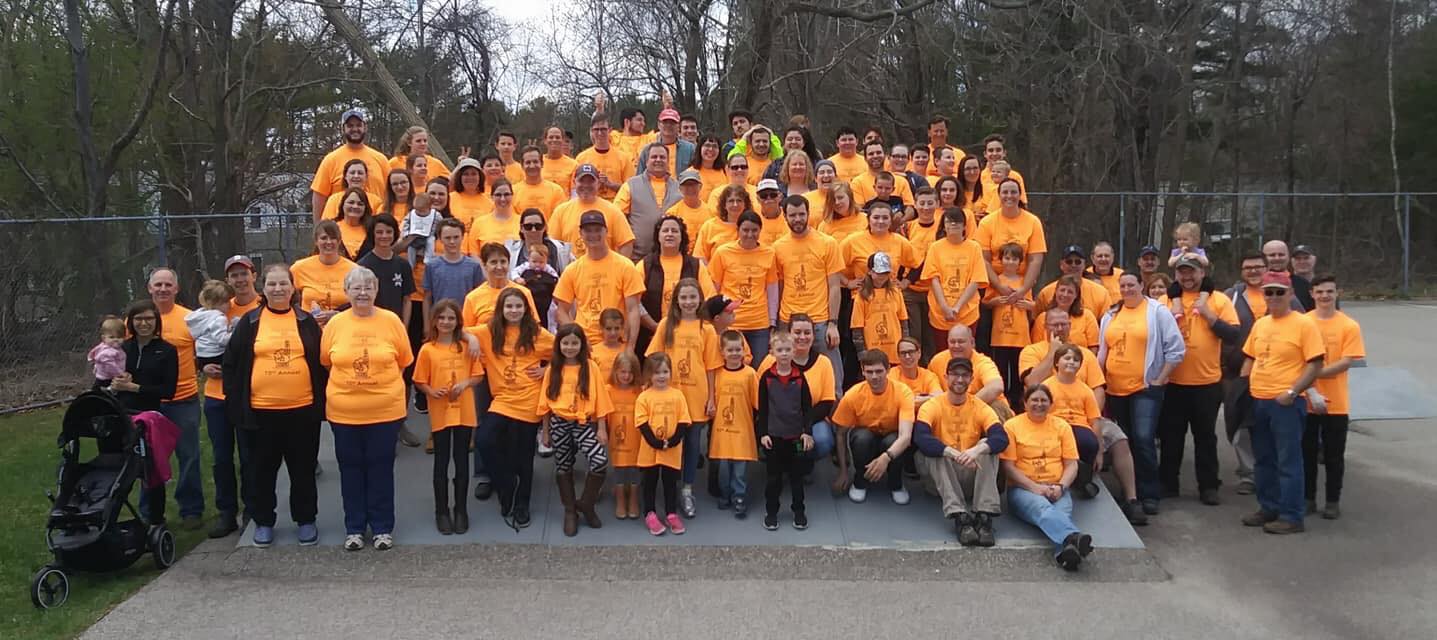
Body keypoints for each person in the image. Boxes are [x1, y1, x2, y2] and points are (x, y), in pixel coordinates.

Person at [222, 263, 326, 547]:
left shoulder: (306, 322)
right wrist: (235, 401)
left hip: (302, 411)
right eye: (272, 284)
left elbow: (320, 364)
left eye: (283, 284)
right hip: (260, 413)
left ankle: (305, 519)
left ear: (293, 288)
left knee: (303, 470)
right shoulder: (251, 322)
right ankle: (264, 521)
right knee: (260, 471)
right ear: (263, 289)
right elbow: (231, 364)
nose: (278, 289)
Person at [320, 267, 414, 551]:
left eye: (368, 288)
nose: (362, 293)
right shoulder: (336, 324)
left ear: (376, 291)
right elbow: (327, 361)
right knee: (350, 469)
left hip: (384, 412)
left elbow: (403, 360)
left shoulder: (391, 321)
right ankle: (355, 528)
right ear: (346, 292)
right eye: (356, 288)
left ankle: (383, 527)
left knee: (381, 468)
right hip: (344, 412)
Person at [1239, 271, 1325, 534]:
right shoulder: (1261, 324)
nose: (1273, 297)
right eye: (1269, 292)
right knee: (1264, 459)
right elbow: (1250, 356)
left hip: (1286, 403)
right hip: (1259, 400)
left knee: (1289, 461)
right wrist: (1244, 384)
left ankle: (1291, 515)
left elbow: (1315, 364)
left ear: (1290, 294)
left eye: (1279, 292)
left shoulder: (1304, 324)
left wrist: (1293, 391)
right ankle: (1269, 507)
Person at [1097, 271, 1185, 515]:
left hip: (1145, 387)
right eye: (1123, 286)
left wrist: (1159, 378)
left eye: (1131, 285)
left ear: (1141, 285)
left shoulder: (1157, 312)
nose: (1127, 289)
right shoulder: (1111, 314)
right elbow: (1103, 350)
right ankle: (1129, 492)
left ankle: (1149, 493)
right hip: (1115, 387)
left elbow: (1176, 349)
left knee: (1144, 438)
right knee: (1124, 442)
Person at [1158, 256, 1239, 506]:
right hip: (1173, 381)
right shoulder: (1166, 300)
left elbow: (1234, 335)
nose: (1187, 277)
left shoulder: (1218, 300)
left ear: (1202, 272)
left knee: (1205, 436)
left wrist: (1209, 316)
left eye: (1191, 272)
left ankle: (1208, 486)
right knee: (1171, 436)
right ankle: (1168, 483)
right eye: (1182, 273)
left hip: (1207, 382)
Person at [1222, 253, 1304, 495]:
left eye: (1258, 267)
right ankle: (1250, 475)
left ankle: (1284, 494)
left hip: (1282, 382)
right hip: (1240, 373)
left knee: (1279, 439)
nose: (1253, 271)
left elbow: (1310, 351)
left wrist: (1298, 387)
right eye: (1248, 267)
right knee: (1242, 426)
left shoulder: (1292, 304)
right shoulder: (1233, 296)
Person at [475, 289, 555, 529]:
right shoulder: (489, 332)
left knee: (524, 456)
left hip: (529, 400)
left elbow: (571, 351)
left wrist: (547, 370)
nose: (514, 310)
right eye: (509, 306)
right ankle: (506, 484)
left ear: (526, 309)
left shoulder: (537, 334)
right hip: (502, 400)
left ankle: (522, 503)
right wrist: (469, 339)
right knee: (484, 440)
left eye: (518, 306)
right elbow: (458, 331)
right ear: (501, 309)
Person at [1042, 344, 1148, 525]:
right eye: (1066, 358)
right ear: (1056, 363)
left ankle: (1086, 480)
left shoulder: (1084, 390)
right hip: (1055, 426)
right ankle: (1060, 479)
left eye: (1075, 360)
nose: (1071, 362)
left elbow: (1094, 419)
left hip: (1080, 424)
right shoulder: (1047, 386)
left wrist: (1099, 449)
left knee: (1090, 443)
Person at [644, 278, 721, 518]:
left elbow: (711, 366)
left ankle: (687, 489)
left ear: (700, 299)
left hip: (697, 396)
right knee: (670, 442)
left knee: (692, 445)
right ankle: (669, 489)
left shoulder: (706, 329)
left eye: (693, 297)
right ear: (676, 300)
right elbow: (653, 358)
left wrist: (711, 397)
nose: (688, 302)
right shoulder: (667, 325)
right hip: (669, 397)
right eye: (684, 297)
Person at [999, 384, 1092, 571]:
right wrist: (1035, 488)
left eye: (1043, 400)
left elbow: (1072, 464)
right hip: (1023, 488)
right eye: (1034, 400)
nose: (1039, 404)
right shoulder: (1012, 426)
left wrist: (1061, 486)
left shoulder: (1062, 426)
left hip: (1057, 487)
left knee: (1059, 515)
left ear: (1051, 404)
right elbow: (1008, 467)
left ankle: (1066, 552)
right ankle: (1073, 537)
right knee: (1042, 509)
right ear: (1025, 403)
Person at [912, 358, 1004, 546]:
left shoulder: (979, 406)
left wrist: (976, 450)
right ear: (946, 377)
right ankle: (960, 517)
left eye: (964, 375)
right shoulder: (932, 405)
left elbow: (1001, 438)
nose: (959, 379)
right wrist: (953, 453)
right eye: (955, 374)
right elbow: (920, 437)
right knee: (930, 450)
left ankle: (984, 515)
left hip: (971, 473)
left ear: (971, 379)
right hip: (941, 477)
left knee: (988, 445)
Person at [412, 300, 483, 535]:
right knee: (441, 461)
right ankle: (441, 510)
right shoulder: (428, 349)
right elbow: (420, 380)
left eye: (451, 318)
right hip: (440, 410)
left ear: (458, 321)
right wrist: (431, 391)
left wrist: (465, 383)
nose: (446, 322)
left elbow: (477, 375)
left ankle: (460, 509)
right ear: (434, 321)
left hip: (463, 409)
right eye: (441, 318)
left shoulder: (465, 347)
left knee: (461, 459)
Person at [143, 268, 204, 530]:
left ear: (176, 289)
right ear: (149, 288)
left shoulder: (189, 319)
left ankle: (191, 509)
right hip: (149, 402)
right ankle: (149, 513)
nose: (163, 289)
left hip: (184, 399)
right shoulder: (139, 320)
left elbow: (204, 352)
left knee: (188, 456)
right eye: (158, 284)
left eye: (168, 284)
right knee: (148, 459)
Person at [538, 323, 613, 537]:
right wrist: (545, 431)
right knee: (563, 465)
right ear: (558, 344)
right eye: (565, 343)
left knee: (599, 460)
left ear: (581, 345)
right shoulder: (553, 369)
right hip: (560, 423)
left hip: (584, 423)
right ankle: (570, 510)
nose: (570, 347)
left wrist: (601, 427)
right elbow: (545, 402)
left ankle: (586, 503)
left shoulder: (590, 367)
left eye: (574, 343)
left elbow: (600, 399)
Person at [111, 300, 178, 525]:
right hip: (121, 414)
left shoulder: (166, 350)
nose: (144, 323)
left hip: (149, 417)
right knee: (119, 470)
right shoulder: (121, 349)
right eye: (138, 319)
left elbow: (168, 390)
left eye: (149, 318)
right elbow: (102, 377)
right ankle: (110, 516)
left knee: (151, 472)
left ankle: (155, 519)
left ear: (156, 321)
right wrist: (114, 384)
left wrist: (136, 387)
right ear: (131, 322)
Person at [1303, 275, 1364, 520]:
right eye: (1320, 292)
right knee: (1306, 453)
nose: (1325, 296)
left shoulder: (1349, 326)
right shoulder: (1303, 323)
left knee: (1333, 455)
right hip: (1306, 401)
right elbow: (1296, 359)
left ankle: (1332, 501)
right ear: (1312, 294)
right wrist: (1308, 385)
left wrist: (1315, 373)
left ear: (1337, 293)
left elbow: (1347, 361)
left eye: (1329, 291)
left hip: (1336, 403)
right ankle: (1308, 498)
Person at [838, 201, 918, 385]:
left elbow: (918, 264)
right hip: (861, 300)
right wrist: (848, 283)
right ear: (868, 219)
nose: (880, 221)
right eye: (876, 217)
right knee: (854, 356)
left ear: (891, 220)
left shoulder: (899, 241)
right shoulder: (853, 240)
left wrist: (905, 282)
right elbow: (835, 266)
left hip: (890, 299)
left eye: (885, 218)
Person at [772, 196, 845, 394]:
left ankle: (837, 421)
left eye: (801, 214)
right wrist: (776, 324)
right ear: (785, 216)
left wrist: (833, 323)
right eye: (792, 215)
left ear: (808, 214)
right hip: (788, 320)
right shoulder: (778, 247)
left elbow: (835, 286)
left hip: (820, 320)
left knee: (833, 378)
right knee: (786, 377)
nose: (798, 219)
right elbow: (778, 287)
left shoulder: (827, 243)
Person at [831, 349, 917, 504]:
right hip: (866, 440)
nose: (875, 377)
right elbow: (840, 433)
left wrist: (886, 457)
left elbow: (906, 436)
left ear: (888, 370)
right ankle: (860, 482)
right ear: (863, 372)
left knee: (894, 439)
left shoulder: (903, 392)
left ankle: (896, 484)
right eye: (869, 372)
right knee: (861, 438)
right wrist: (843, 472)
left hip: (891, 442)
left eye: (879, 371)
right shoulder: (853, 394)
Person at [973, 178, 1045, 352]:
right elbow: (984, 259)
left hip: (1021, 286)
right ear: (998, 195)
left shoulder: (1032, 221)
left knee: (1021, 340)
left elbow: (1036, 259)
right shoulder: (987, 222)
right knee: (989, 340)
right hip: (993, 287)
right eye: (1005, 192)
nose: (1009, 196)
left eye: (1014, 192)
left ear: (1020, 195)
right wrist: (998, 286)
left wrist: (1022, 290)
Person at [554, 211, 644, 347]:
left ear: (606, 231)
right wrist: (577, 337)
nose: (593, 235)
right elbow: (561, 311)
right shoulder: (572, 269)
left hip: (616, 343)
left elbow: (633, 310)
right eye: (588, 231)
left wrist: (630, 348)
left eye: (598, 230)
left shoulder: (625, 266)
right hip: (585, 346)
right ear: (580, 234)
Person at [756, 331, 816, 531]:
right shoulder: (766, 378)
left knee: (796, 477)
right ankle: (771, 512)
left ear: (793, 351)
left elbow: (808, 408)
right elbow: (762, 408)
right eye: (779, 350)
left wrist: (807, 432)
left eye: (787, 349)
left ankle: (799, 511)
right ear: (772, 352)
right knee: (773, 478)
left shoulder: (800, 377)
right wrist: (763, 433)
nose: (783, 354)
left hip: (796, 438)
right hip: (774, 437)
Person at [707, 211, 778, 363]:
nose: (750, 234)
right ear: (738, 230)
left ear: (760, 230)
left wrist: (772, 321)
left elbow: (772, 290)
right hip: (731, 323)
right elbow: (714, 287)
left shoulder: (769, 253)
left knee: (759, 367)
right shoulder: (723, 252)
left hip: (759, 323)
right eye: (745, 230)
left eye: (754, 230)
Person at [636, 353, 693, 535]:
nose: (661, 376)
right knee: (650, 481)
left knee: (670, 483)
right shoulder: (644, 397)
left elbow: (683, 419)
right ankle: (650, 513)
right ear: (648, 375)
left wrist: (675, 439)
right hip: (651, 448)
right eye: (656, 372)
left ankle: (671, 513)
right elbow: (642, 422)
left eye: (665, 371)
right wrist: (655, 442)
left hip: (672, 449)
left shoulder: (678, 395)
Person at [638, 215, 717, 344]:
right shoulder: (645, 265)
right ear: (658, 236)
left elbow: (709, 300)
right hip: (651, 336)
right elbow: (635, 303)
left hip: (689, 337)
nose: (670, 234)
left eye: (674, 231)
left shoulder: (696, 266)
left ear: (682, 237)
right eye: (665, 230)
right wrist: (655, 327)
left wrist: (690, 327)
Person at [921, 207, 986, 352]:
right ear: (943, 226)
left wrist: (958, 307)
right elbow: (933, 279)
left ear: (964, 225)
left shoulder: (974, 247)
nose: (953, 225)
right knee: (942, 352)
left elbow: (976, 280)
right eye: (949, 222)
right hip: (940, 312)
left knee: (965, 351)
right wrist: (945, 307)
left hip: (967, 312)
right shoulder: (935, 248)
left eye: (957, 222)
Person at [710, 331, 759, 517]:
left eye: (738, 349)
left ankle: (739, 496)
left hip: (742, 429)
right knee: (723, 467)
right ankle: (725, 494)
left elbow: (758, 402)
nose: (735, 353)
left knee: (739, 469)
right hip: (722, 430)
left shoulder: (749, 374)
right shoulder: (717, 374)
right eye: (730, 350)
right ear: (722, 352)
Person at [310, 108, 388, 221]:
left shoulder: (381, 159)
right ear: (343, 129)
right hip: (341, 229)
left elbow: (391, 194)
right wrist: (317, 228)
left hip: (374, 227)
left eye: (358, 125)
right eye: (350, 126)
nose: (355, 129)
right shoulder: (330, 160)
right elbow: (319, 197)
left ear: (365, 128)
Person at [983, 243, 1034, 408]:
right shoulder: (996, 281)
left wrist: (1027, 305)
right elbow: (986, 303)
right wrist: (996, 301)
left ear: (1020, 263)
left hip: (1020, 336)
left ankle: (1018, 402)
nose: (1010, 262)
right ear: (1001, 260)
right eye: (1007, 258)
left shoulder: (1024, 283)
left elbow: (1032, 305)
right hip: (1000, 336)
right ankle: (1003, 403)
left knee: (1019, 372)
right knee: (1001, 371)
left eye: (1014, 259)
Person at [550, 165, 637, 258]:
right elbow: (554, 245)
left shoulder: (613, 211)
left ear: (598, 183)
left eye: (590, 181)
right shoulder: (561, 211)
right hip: (573, 270)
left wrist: (617, 269)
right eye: (581, 181)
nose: (586, 185)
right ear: (574, 182)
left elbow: (626, 243)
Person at [615, 144, 682, 259]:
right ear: (646, 161)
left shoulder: (680, 188)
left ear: (668, 162)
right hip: (637, 258)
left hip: (672, 258)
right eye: (654, 157)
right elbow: (616, 216)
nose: (658, 160)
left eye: (662, 157)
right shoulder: (630, 185)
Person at [901, 187, 942, 361]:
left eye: (930, 203)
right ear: (915, 205)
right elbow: (902, 257)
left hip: (935, 290)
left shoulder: (942, 228)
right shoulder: (908, 228)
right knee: (915, 334)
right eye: (922, 203)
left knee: (931, 337)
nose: (926, 207)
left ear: (937, 204)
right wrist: (903, 282)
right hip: (911, 290)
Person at [292, 221, 358, 328]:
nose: (328, 242)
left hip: (344, 327)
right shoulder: (299, 268)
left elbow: (361, 302)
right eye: (324, 238)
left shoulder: (354, 270)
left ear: (340, 241)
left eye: (333, 238)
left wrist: (337, 314)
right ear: (316, 241)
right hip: (310, 329)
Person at [851, 251, 910, 365]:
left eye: (885, 273)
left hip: (894, 351)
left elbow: (904, 322)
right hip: (872, 351)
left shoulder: (896, 292)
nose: (882, 276)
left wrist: (904, 347)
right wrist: (863, 354)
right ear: (870, 271)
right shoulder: (862, 295)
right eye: (879, 273)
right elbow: (857, 328)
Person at [423, 218, 484, 325]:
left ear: (463, 237)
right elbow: (427, 298)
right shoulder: (432, 266)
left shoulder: (474, 266)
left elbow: (479, 298)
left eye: (456, 237)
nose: (452, 242)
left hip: (466, 322)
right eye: (447, 238)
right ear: (440, 239)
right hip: (440, 322)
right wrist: (427, 325)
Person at [606, 352, 644, 519]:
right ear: (615, 371)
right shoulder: (608, 390)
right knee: (620, 466)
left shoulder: (640, 391)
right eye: (622, 372)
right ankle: (621, 497)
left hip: (636, 437)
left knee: (635, 467)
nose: (626, 376)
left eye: (630, 372)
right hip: (616, 437)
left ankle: (634, 496)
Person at [1035, 245, 1111, 321]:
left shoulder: (1101, 293)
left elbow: (1107, 324)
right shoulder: (1046, 293)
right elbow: (1039, 321)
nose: (1073, 265)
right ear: (1061, 265)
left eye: (1078, 262)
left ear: (1084, 265)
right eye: (1069, 262)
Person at [1030, 275, 1101, 350]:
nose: (1065, 294)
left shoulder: (1087, 316)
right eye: (1062, 290)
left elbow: (1093, 347)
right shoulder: (1042, 318)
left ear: (1076, 295)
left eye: (1070, 292)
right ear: (1056, 292)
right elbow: (1036, 346)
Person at [575, 112, 635, 201]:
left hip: (616, 206)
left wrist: (610, 184)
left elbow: (631, 189)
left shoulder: (623, 158)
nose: (600, 133)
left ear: (610, 130)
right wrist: (593, 185)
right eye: (596, 129)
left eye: (603, 129)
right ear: (591, 131)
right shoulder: (581, 158)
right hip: (590, 205)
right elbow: (576, 188)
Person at [184, 280, 237, 370]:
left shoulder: (202, 316)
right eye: (226, 301)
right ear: (215, 303)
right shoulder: (218, 318)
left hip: (202, 356)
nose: (230, 304)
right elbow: (223, 340)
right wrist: (236, 330)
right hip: (216, 355)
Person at [851, 141, 914, 216]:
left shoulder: (901, 181)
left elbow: (910, 208)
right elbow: (859, 211)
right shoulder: (857, 182)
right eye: (871, 154)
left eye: (878, 153)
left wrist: (898, 222)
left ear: (885, 155)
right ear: (865, 158)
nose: (875, 156)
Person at [506, 208, 574, 275]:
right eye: (528, 226)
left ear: (544, 227)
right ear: (521, 228)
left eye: (538, 226)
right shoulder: (511, 252)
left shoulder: (561, 250)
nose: (533, 230)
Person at [694, 184, 749, 262]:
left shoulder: (752, 226)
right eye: (731, 201)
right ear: (724, 205)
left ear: (745, 205)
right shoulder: (709, 226)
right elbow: (700, 258)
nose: (735, 204)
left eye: (739, 200)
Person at [512, 146, 567, 221]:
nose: (532, 166)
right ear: (522, 165)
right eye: (528, 162)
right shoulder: (513, 191)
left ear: (542, 164)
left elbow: (560, 219)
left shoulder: (556, 190)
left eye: (535, 162)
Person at [511, 244, 560, 328]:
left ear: (546, 261)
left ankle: (552, 330)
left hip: (545, 298)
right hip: (530, 296)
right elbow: (514, 272)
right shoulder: (525, 267)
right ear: (529, 259)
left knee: (551, 313)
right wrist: (517, 279)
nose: (537, 264)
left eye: (541, 262)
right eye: (534, 261)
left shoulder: (548, 269)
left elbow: (556, 278)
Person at [319, 162, 384, 225]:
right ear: (345, 176)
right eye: (352, 173)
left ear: (366, 176)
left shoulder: (376, 201)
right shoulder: (334, 199)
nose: (356, 176)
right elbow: (326, 226)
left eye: (360, 173)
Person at [465, 179, 521, 251]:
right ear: (491, 197)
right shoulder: (479, 223)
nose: (502, 199)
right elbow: (474, 253)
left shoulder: (522, 222)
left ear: (512, 196)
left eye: (506, 194)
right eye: (498, 195)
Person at [890, 337, 943, 404]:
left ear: (919, 353)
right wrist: (927, 398)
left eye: (911, 352)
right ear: (898, 356)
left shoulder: (928, 375)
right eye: (903, 353)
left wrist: (910, 400)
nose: (907, 356)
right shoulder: (892, 374)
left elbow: (939, 396)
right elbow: (894, 401)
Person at [666, 169, 714, 238]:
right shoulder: (672, 213)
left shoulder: (711, 213)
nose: (690, 188)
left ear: (700, 186)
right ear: (680, 189)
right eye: (686, 185)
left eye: (693, 184)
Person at [651, 107, 696, 176]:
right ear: (659, 125)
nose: (668, 125)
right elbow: (641, 177)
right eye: (665, 122)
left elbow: (696, 175)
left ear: (678, 126)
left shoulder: (690, 149)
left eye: (672, 122)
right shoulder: (648, 149)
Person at [448, 158, 490, 228]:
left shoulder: (490, 201)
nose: (470, 177)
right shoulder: (449, 199)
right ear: (460, 177)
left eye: (474, 174)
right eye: (465, 174)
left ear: (480, 177)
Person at [89, 316, 127, 389]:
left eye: (119, 337)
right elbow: (110, 365)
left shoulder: (110, 347)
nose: (116, 339)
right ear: (104, 338)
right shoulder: (108, 352)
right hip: (106, 380)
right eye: (112, 337)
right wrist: (121, 374)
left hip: (107, 377)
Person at [539, 126, 578, 194]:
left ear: (562, 140)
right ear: (545, 140)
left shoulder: (573, 165)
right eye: (551, 137)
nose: (554, 140)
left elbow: (574, 193)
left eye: (557, 137)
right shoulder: (537, 162)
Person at [692, 135, 729, 201]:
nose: (711, 149)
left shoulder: (726, 171)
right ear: (699, 148)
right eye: (707, 145)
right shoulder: (690, 173)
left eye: (715, 146)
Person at [753, 179, 789, 246]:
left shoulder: (789, 216)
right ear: (758, 199)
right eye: (763, 196)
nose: (769, 198)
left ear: (780, 196)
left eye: (773, 195)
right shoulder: (753, 218)